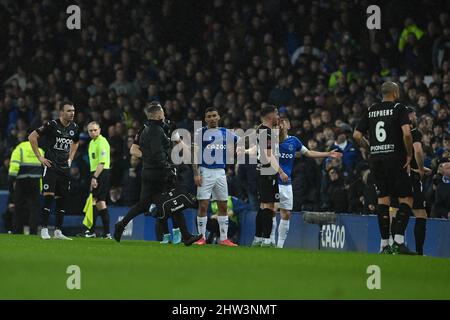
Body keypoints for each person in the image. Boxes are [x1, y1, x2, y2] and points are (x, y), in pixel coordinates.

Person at [113, 101, 201, 245]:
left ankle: (122, 224)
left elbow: (172, 145)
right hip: (159, 172)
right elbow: (156, 154)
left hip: (148, 171)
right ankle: (182, 235)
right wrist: (168, 168)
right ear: (159, 114)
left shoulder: (148, 128)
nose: (164, 114)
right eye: (162, 113)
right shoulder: (156, 130)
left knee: (145, 204)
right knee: (173, 200)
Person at [353, 82, 416, 255]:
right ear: (395, 93)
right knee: (407, 199)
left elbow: (357, 135)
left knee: (383, 200)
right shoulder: (399, 107)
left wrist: (369, 147)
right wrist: (409, 155)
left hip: (376, 159)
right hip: (395, 158)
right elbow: (407, 133)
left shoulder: (372, 109)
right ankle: (399, 241)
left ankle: (384, 245)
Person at [274, 117, 342, 248]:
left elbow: (309, 153)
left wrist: (327, 154)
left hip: (287, 182)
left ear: (287, 125)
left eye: (283, 123)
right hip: (273, 180)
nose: (281, 126)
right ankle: (269, 241)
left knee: (286, 213)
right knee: (272, 209)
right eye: (279, 124)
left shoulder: (294, 141)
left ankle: (279, 246)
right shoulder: (271, 141)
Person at [28, 101, 80, 240]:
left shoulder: (75, 127)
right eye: (69, 111)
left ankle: (58, 231)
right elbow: (32, 136)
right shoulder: (51, 125)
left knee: (62, 199)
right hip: (51, 166)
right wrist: (39, 156)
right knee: (48, 196)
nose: (72, 113)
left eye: (73, 110)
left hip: (64, 169)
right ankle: (44, 229)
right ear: (61, 113)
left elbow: (75, 142)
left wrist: (71, 158)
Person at [192, 107, 238, 246]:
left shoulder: (225, 132)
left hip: (220, 172)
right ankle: (201, 237)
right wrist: (196, 173)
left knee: (223, 205)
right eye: (209, 116)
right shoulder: (200, 132)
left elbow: (242, 141)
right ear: (205, 119)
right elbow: (194, 154)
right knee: (203, 205)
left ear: (218, 117)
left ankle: (224, 238)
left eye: (214, 115)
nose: (212, 118)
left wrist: (256, 134)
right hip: (205, 171)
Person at [252, 105, 288, 247]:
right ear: (270, 116)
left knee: (263, 206)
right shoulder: (265, 133)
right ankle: (266, 239)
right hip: (267, 172)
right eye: (277, 113)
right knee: (269, 206)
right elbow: (268, 154)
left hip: (262, 171)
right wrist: (280, 171)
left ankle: (258, 238)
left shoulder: (262, 130)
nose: (278, 116)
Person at [8, 130, 43, 234]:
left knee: (18, 207)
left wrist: (11, 179)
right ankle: (33, 232)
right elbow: (44, 169)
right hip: (36, 181)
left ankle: (17, 231)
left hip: (21, 181)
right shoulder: (40, 150)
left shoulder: (19, 148)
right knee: (34, 208)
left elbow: (14, 165)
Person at [85, 121, 112, 239]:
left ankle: (91, 231)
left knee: (96, 201)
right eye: (90, 130)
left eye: (95, 130)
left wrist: (95, 177)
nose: (93, 132)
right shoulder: (91, 143)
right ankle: (106, 233)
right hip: (95, 172)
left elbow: (102, 162)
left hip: (101, 172)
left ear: (100, 130)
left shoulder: (102, 142)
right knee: (99, 202)